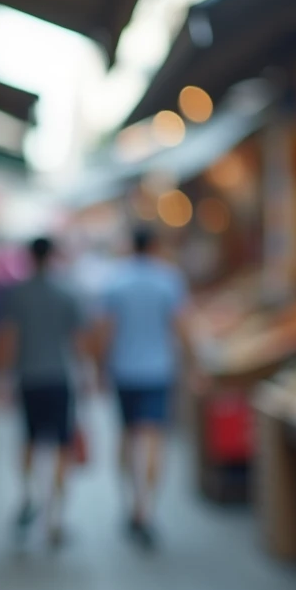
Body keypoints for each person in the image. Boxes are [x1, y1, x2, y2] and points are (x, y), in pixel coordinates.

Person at [98, 225, 203, 549]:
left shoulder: (115, 281)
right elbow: (181, 327)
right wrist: (194, 365)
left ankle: (131, 501)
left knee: (127, 436)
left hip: (124, 370)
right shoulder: (168, 280)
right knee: (154, 438)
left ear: (132, 246)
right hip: (158, 371)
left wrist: (99, 368)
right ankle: (148, 508)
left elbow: (105, 330)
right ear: (155, 245)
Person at [0, 237, 92, 546]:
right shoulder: (68, 292)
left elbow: (8, 338)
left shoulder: (17, 294)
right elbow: (78, 340)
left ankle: (29, 494)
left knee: (29, 439)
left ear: (30, 257)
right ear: (52, 256)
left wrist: (1, 379)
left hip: (29, 378)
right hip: (60, 377)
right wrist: (87, 374)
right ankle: (56, 517)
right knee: (62, 446)